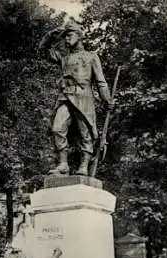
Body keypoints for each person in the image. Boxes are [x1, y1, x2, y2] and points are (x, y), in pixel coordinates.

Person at [39, 18, 111, 176]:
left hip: (84, 98)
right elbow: (43, 51)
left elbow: (101, 82)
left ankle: (84, 165)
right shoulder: (64, 58)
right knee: (57, 128)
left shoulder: (91, 57)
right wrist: (51, 34)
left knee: (85, 133)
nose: (66, 38)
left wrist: (107, 99)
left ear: (79, 35)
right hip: (65, 97)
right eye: (65, 36)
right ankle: (63, 164)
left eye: (69, 34)